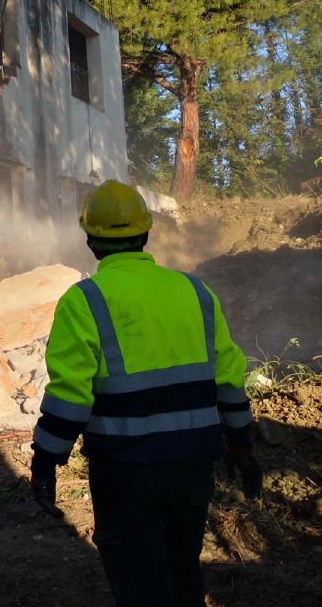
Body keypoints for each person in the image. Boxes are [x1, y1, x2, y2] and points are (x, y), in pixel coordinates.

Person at [30, 179, 262, 607]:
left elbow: (70, 396)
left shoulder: (84, 301)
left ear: (90, 240)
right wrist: (242, 444)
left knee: (140, 585)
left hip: (127, 473)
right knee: (185, 573)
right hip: (193, 465)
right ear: (145, 233)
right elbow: (229, 376)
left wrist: (46, 461)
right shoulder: (196, 291)